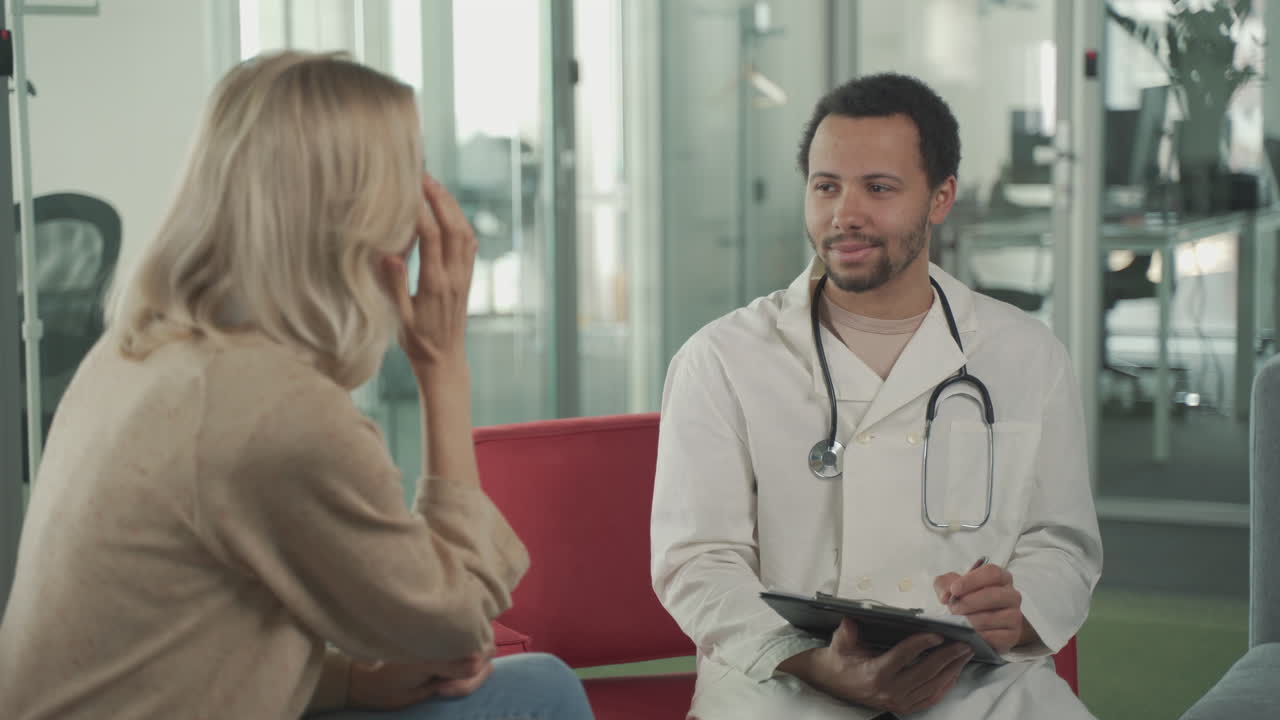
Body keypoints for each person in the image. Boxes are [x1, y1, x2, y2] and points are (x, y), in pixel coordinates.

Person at [0, 51, 593, 720]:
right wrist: (442, 367)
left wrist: (343, 683)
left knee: (535, 682)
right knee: (543, 695)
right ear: (366, 213)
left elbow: (167, 649)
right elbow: (452, 623)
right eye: (407, 173)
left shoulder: (137, 350)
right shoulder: (273, 410)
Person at [650, 72, 1103, 719]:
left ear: (941, 197)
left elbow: (1061, 541)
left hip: (976, 687)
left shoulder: (1026, 355)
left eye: (879, 188)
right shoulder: (721, 359)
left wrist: (1019, 606)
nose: (845, 214)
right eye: (826, 186)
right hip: (783, 683)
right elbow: (697, 560)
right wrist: (814, 663)